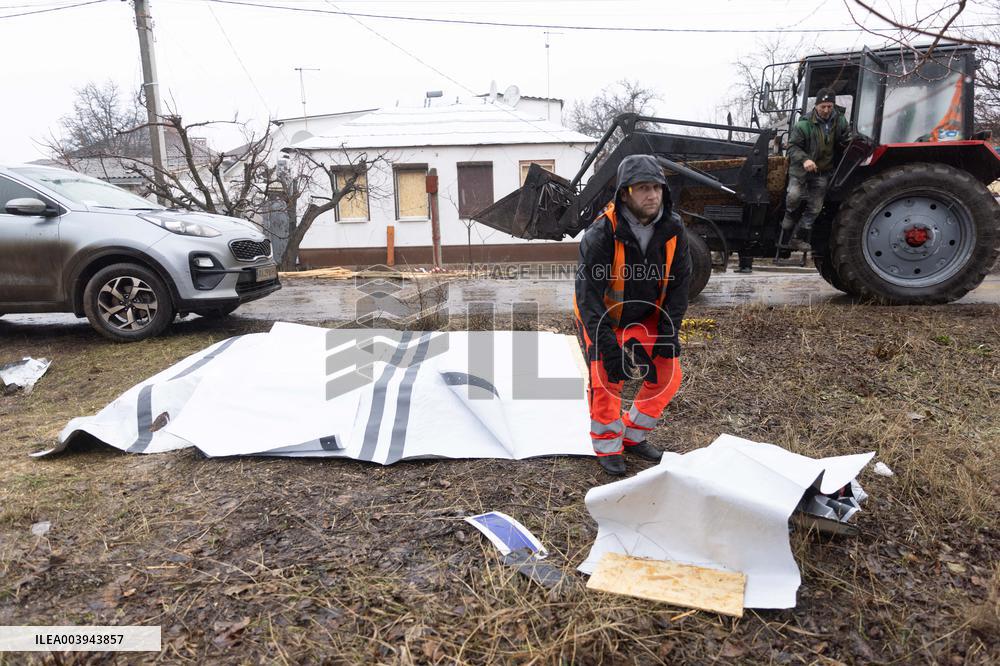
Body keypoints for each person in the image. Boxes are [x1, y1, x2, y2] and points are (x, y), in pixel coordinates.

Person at [574, 154, 691, 476]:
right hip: (604, 317)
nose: (652, 195)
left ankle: (633, 435)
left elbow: (681, 284)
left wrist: (669, 331)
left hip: (648, 315)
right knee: (608, 379)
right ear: (624, 193)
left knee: (667, 375)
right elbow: (588, 297)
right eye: (642, 188)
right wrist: (609, 346)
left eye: (656, 187)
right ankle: (607, 445)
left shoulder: (673, 229)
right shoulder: (600, 235)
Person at [781, 88, 850, 251]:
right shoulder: (803, 125)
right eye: (823, 107)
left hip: (823, 172)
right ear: (816, 106)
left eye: (829, 106)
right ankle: (789, 213)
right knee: (793, 196)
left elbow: (845, 138)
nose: (826, 110)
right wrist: (805, 159)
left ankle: (797, 238)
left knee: (815, 207)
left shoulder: (840, 121)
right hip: (801, 171)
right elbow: (792, 147)